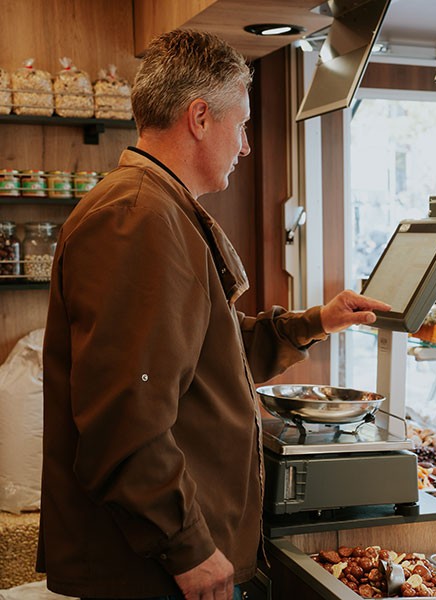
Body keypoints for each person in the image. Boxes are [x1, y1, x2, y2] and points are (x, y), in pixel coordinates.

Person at [36, 29, 390, 600]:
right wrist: (189, 548)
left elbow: (207, 353)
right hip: (150, 572)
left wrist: (316, 322)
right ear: (200, 117)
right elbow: (126, 417)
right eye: (242, 125)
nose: (245, 146)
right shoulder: (137, 217)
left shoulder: (162, 208)